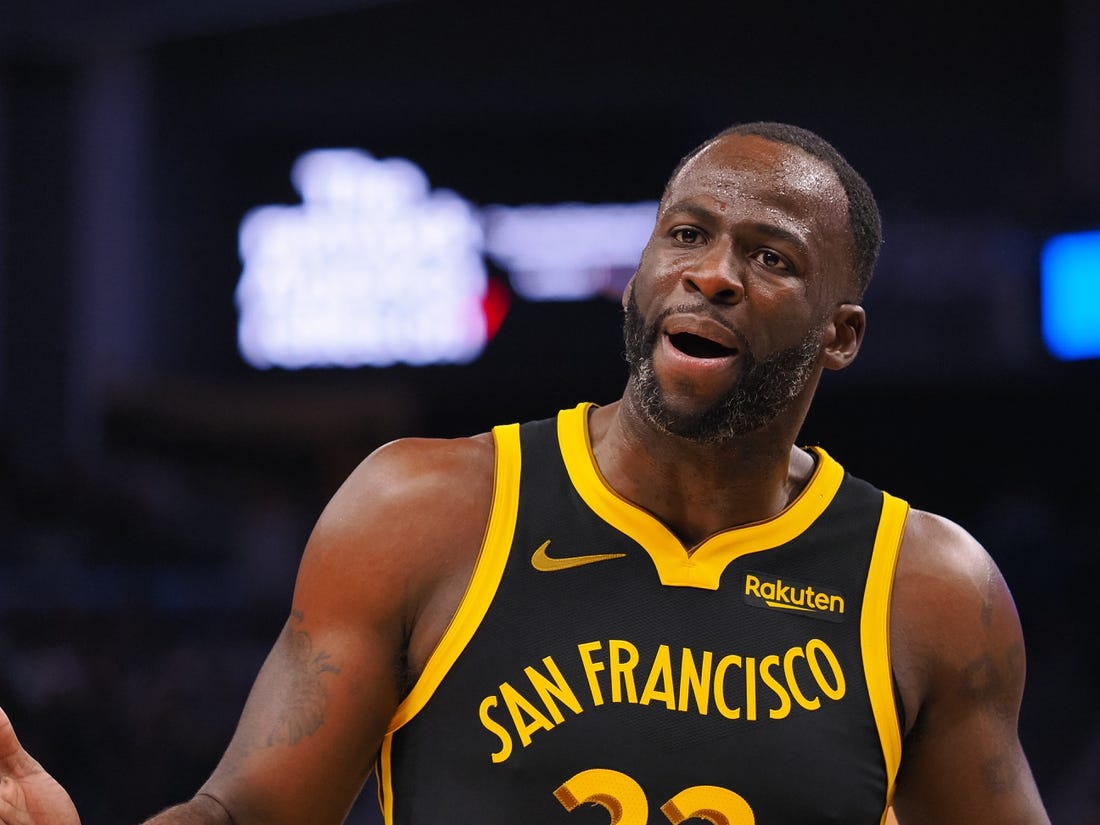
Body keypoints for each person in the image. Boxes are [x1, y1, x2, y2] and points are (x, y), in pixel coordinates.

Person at [0, 122, 1050, 825]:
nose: (713, 272)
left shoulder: (928, 590)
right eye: (684, 234)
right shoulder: (425, 509)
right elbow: (248, 814)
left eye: (770, 256)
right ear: (639, 275)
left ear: (840, 335)